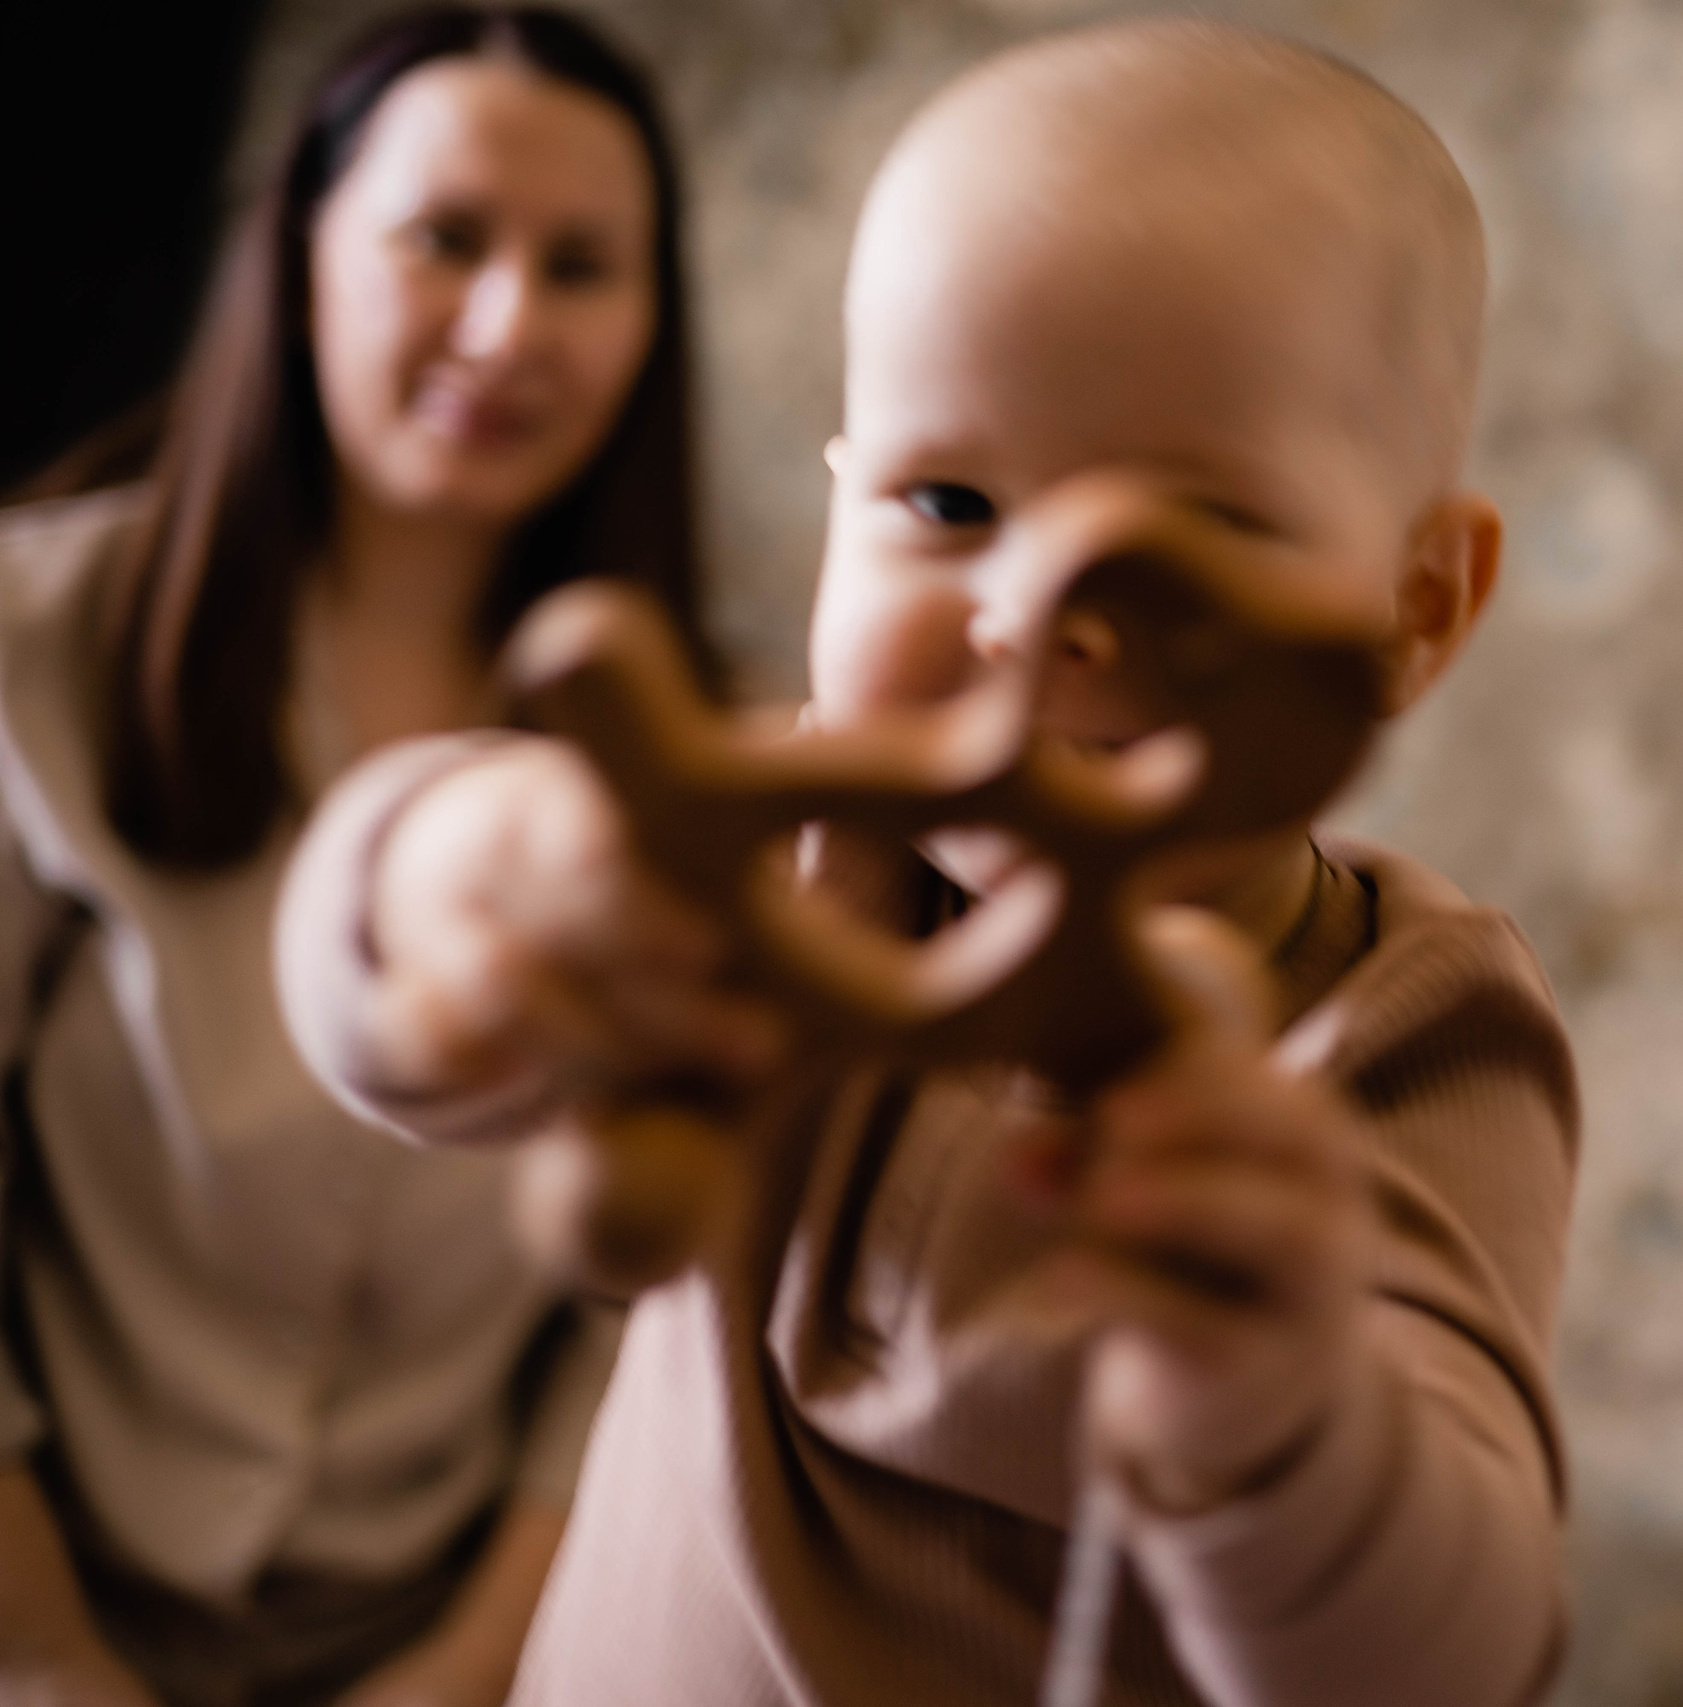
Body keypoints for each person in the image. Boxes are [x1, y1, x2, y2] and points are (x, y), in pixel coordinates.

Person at [276, 18, 1577, 1707]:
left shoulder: (1407, 1044)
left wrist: (1286, 1416)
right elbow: (360, 992)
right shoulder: (782, 853)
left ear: (1417, 608)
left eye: (1188, 539)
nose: (1033, 620)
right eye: (950, 503)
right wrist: (455, 878)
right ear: (839, 505)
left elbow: (1448, 1668)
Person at [0, 8, 719, 1704]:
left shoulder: (706, 757)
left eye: (583, 267)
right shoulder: (31, 641)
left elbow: (645, 1324)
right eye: (446, 238)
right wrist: (45, 1666)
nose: (506, 324)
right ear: (301, 248)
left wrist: (471, 1676)